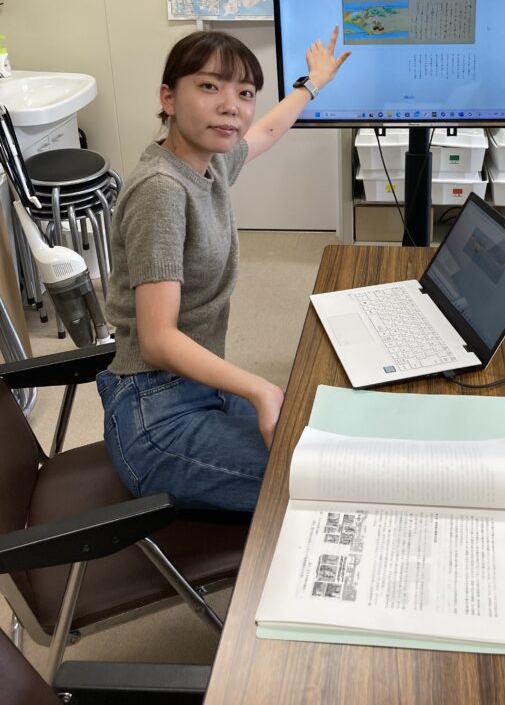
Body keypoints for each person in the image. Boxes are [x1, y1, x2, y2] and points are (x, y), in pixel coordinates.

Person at [96, 27, 350, 512]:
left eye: (245, 93)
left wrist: (313, 83)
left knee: (322, 435)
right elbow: (156, 340)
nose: (231, 106)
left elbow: (266, 132)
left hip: (197, 389)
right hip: (156, 416)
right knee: (329, 477)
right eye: (210, 86)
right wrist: (258, 387)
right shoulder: (161, 190)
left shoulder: (209, 165)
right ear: (168, 98)